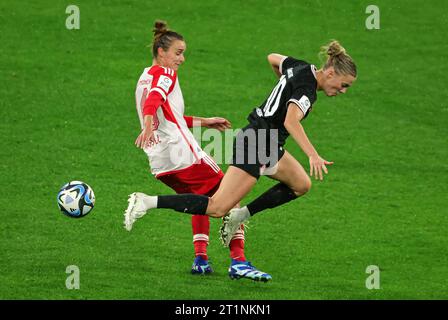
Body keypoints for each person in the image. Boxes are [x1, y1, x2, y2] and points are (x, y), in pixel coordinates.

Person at [127, 40, 357, 257]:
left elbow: (273, 58)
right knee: (217, 207)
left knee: (301, 184)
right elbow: (291, 121)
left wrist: (282, 85)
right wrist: (313, 155)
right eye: (343, 84)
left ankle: (240, 215)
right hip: (257, 142)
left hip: (268, 141)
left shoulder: (301, 67)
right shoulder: (307, 89)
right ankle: (147, 201)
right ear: (329, 73)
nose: (343, 90)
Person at [125, 20, 271, 282]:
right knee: (231, 198)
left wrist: (204, 121)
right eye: (178, 52)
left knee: (201, 202)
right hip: (184, 154)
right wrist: (147, 125)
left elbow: (167, 114)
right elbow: (154, 102)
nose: (182, 59)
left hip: (161, 162)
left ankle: (201, 259)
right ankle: (238, 262)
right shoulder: (166, 74)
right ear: (162, 52)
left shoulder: (144, 77)